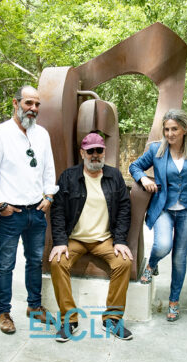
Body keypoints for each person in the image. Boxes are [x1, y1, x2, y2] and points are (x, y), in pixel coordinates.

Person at [129, 109, 187, 322]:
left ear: (184, 129)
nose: (170, 134)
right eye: (167, 129)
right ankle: (152, 264)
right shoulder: (155, 150)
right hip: (164, 208)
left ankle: (174, 301)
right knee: (162, 245)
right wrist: (144, 179)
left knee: (179, 258)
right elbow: (135, 166)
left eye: (174, 129)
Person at [0, 85, 58, 334]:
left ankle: (34, 307)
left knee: (35, 261)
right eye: (28, 103)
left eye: (37, 104)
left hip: (37, 211)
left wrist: (49, 196)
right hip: (10, 213)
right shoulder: (0, 133)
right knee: (6, 263)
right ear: (15, 104)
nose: (33, 109)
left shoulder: (42, 134)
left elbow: (48, 168)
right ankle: (3, 312)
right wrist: (1, 204)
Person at [49, 133, 133, 342]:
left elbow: (124, 208)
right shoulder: (69, 176)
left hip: (104, 239)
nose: (95, 155)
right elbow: (57, 210)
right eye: (90, 151)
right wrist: (60, 242)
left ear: (104, 152)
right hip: (75, 239)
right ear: (82, 153)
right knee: (58, 262)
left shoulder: (114, 176)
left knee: (123, 262)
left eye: (99, 150)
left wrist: (120, 240)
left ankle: (112, 318)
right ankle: (70, 319)